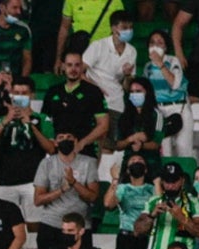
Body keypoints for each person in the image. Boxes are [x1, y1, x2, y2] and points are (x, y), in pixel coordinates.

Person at [0, 75, 53, 229]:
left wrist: (31, 125)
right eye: (16, 92)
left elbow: (51, 148)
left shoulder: (42, 119)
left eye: (24, 93)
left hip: (33, 181)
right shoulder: (3, 119)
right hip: (6, 180)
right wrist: (6, 120)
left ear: (32, 95)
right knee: (6, 224)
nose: (20, 96)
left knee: (34, 224)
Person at [32, 133, 100, 249]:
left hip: (80, 227)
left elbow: (92, 197)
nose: (65, 140)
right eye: (61, 138)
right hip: (51, 224)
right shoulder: (46, 163)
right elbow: (38, 200)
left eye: (69, 137)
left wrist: (73, 182)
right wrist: (62, 189)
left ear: (76, 141)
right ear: (55, 143)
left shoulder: (88, 162)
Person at [41, 52, 109, 161]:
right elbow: (44, 120)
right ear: (63, 66)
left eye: (77, 65)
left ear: (82, 67)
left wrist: (82, 143)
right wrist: (51, 140)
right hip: (57, 152)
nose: (73, 69)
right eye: (69, 65)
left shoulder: (93, 92)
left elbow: (103, 125)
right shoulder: (52, 91)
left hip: (85, 151)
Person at [82, 10, 137, 145]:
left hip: (117, 104)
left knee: (112, 145)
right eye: (124, 28)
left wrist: (128, 75)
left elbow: (127, 86)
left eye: (130, 28)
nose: (128, 31)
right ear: (113, 28)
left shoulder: (132, 51)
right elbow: (79, 72)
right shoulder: (98, 46)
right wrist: (95, 89)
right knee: (95, 143)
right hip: (95, 103)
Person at [103, 152, 154, 249]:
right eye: (133, 160)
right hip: (127, 238)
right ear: (127, 169)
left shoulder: (152, 189)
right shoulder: (122, 188)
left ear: (146, 168)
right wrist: (115, 180)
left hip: (148, 239)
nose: (136, 162)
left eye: (140, 160)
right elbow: (108, 204)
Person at [143, 29, 192, 157]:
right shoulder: (147, 67)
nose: (155, 45)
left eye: (160, 43)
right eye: (152, 43)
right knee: (164, 149)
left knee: (183, 148)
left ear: (165, 46)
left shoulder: (173, 61)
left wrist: (160, 64)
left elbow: (175, 84)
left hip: (179, 108)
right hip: (159, 111)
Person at [53, 0, 126, 74]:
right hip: (80, 56)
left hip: (105, 58)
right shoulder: (71, 1)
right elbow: (64, 28)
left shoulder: (115, 2)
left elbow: (121, 32)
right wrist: (59, 59)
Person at [115, 78, 164, 172]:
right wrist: (130, 139)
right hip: (128, 164)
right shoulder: (124, 117)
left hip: (151, 165)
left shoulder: (157, 115)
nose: (134, 95)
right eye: (132, 92)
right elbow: (118, 145)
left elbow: (156, 144)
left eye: (138, 91)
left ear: (147, 92)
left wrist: (141, 145)